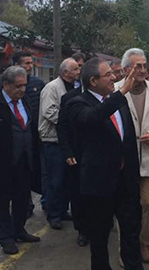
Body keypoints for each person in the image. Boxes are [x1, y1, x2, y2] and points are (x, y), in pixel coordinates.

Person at [68, 58, 143, 270]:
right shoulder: (77, 103)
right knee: (99, 240)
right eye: (108, 74)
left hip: (125, 181)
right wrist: (120, 94)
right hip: (98, 184)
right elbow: (93, 118)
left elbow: (127, 140)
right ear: (93, 81)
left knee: (131, 233)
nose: (114, 77)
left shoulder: (117, 100)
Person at [0, 66, 41, 255]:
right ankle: (6, 238)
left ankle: (18, 230)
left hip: (24, 162)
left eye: (24, 85)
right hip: (0, 165)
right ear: (6, 85)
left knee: (22, 200)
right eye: (18, 86)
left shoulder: (25, 101)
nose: (22, 89)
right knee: (0, 202)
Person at [114, 48, 149, 263]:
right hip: (123, 161)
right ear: (126, 69)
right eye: (137, 66)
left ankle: (145, 241)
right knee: (125, 206)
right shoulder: (115, 90)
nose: (142, 69)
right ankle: (125, 249)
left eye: (144, 65)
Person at [39, 58, 80, 230]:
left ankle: (63, 210)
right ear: (65, 73)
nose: (79, 71)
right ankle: (53, 214)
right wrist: (70, 121)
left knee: (67, 179)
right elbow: (49, 112)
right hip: (53, 140)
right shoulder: (52, 88)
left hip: (67, 141)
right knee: (55, 179)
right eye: (76, 69)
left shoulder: (74, 87)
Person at [57, 73, 89, 247]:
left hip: (99, 155)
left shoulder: (106, 98)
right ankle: (82, 230)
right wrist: (67, 152)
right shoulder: (69, 98)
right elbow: (62, 126)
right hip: (76, 155)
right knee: (77, 193)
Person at [13, 51, 44, 217]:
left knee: (36, 170)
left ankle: (40, 200)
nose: (30, 66)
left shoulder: (38, 84)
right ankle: (25, 205)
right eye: (26, 63)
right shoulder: (7, 86)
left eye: (31, 63)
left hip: (36, 135)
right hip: (18, 139)